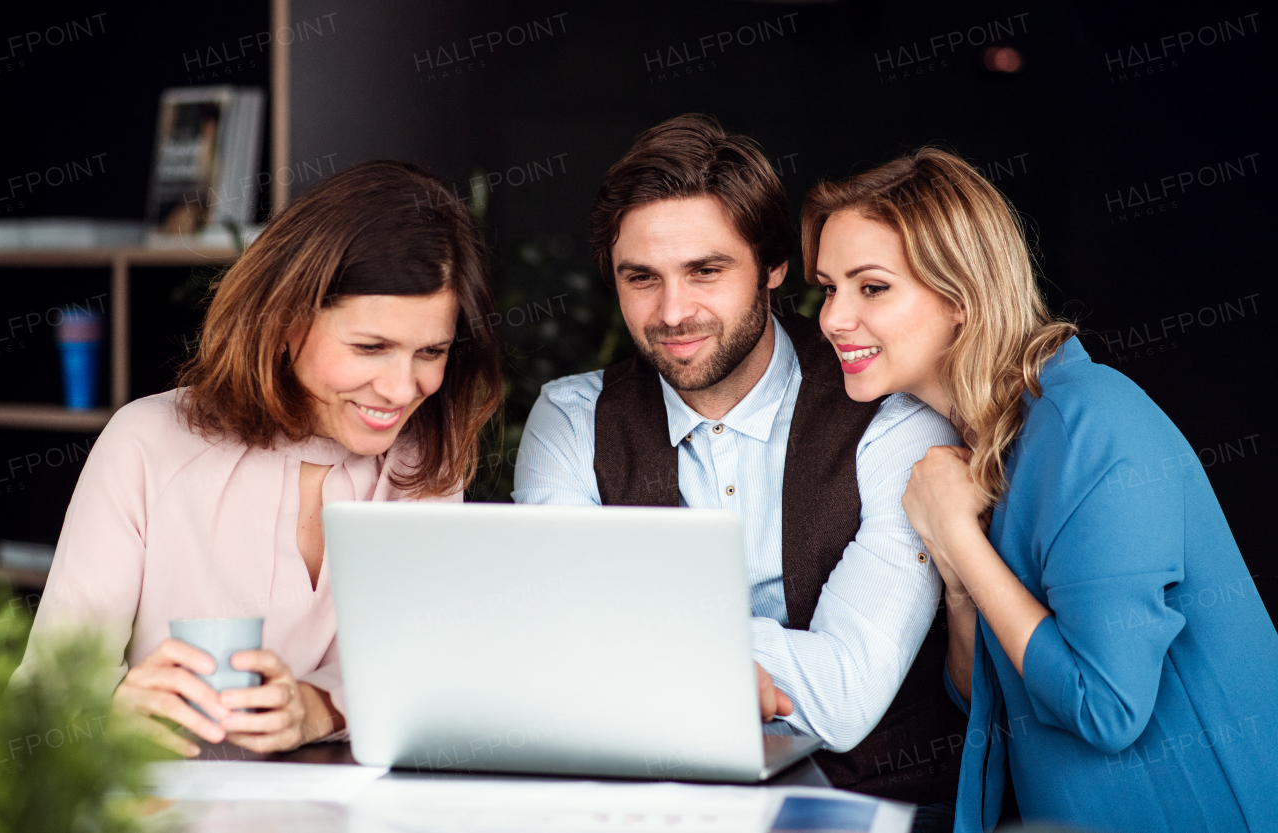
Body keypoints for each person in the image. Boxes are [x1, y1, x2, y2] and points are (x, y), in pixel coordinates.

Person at [805, 147, 1278, 832]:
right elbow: (984, 695)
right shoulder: (981, 440)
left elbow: (1104, 706)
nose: (833, 319)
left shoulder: (1089, 421)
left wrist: (961, 538)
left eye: (871, 287)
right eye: (828, 287)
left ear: (961, 296)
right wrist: (962, 583)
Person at [513, 114, 968, 820]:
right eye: (642, 277)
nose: (672, 311)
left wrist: (638, 638)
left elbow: (844, 694)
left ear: (774, 267)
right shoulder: (571, 421)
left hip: (871, 808)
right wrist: (709, 661)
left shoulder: (893, 421)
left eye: (706, 271)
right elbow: (555, 653)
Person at [15, 160, 503, 757]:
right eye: (370, 347)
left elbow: (422, 672)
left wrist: (316, 707)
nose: (402, 389)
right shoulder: (146, 444)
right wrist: (111, 708)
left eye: (431, 351)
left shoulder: (425, 461)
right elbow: (44, 695)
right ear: (287, 323)